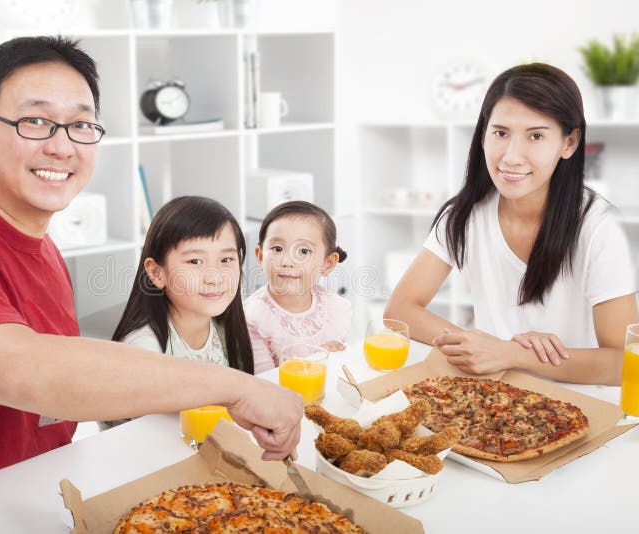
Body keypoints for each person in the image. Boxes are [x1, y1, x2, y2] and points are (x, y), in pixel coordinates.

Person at [0, 36, 302, 526]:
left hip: (35, 499)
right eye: (35, 121)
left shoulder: (43, 247)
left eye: (80, 125)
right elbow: (21, 370)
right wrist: (234, 387)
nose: (61, 147)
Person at [385, 63, 638, 386]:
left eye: (536, 136)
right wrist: (479, 347)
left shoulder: (599, 227)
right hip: (495, 393)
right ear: (483, 136)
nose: (511, 157)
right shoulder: (464, 215)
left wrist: (513, 354)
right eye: (501, 133)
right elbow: (400, 309)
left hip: (580, 399)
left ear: (569, 143)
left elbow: (625, 362)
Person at [100, 196, 254, 429]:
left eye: (226, 259)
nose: (214, 277)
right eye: (195, 261)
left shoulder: (225, 329)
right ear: (156, 273)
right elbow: (159, 434)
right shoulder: (145, 347)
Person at [244, 201, 352, 374]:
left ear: (328, 263)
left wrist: (335, 356)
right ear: (261, 256)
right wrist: (317, 361)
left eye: (303, 251)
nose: (287, 261)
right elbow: (265, 381)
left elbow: (341, 367)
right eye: (277, 248)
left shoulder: (333, 308)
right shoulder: (254, 316)